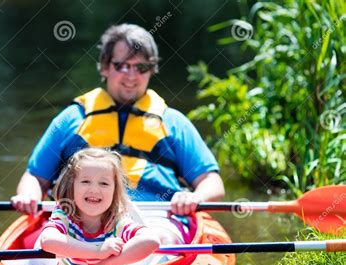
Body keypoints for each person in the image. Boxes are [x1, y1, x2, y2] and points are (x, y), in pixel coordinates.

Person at [12, 23, 224, 217]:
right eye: (122, 65)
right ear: (105, 67)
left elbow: (211, 182)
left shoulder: (174, 122)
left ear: (151, 70)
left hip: (156, 219)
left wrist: (194, 197)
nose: (131, 76)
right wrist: (29, 196)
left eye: (141, 67)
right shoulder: (71, 119)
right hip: (79, 221)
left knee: (152, 239)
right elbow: (36, 178)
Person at [39, 148, 161, 265]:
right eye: (85, 181)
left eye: (104, 183)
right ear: (72, 186)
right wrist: (98, 250)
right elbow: (47, 240)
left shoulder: (116, 219)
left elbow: (151, 240)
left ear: (115, 190)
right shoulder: (66, 212)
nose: (94, 190)